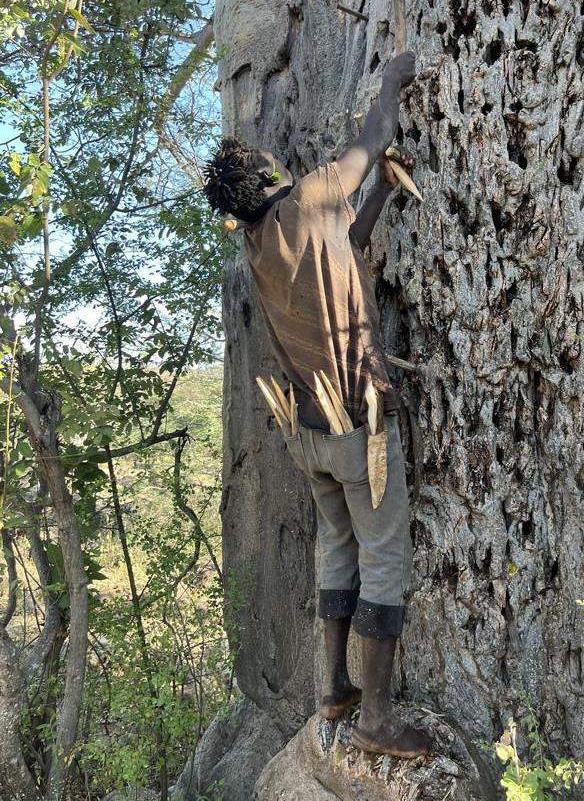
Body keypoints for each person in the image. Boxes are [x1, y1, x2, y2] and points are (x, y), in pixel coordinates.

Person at [203, 51, 431, 758]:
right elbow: (373, 132)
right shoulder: (309, 196)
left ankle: (332, 687)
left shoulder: (258, 242)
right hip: (356, 427)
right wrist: (395, 75)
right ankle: (378, 721)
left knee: (338, 546)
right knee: (384, 556)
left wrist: (383, 198)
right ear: (273, 176)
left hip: (307, 430)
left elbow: (344, 249)